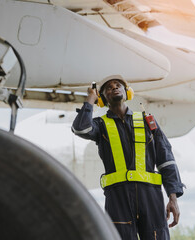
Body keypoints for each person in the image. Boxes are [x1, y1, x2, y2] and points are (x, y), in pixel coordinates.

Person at [71, 75, 184, 240]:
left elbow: (166, 158)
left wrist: (173, 197)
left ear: (127, 93)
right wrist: (90, 98)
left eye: (118, 85)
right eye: (109, 87)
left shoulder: (147, 121)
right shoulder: (100, 125)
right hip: (117, 198)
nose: (115, 87)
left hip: (150, 197)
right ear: (102, 99)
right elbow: (80, 128)